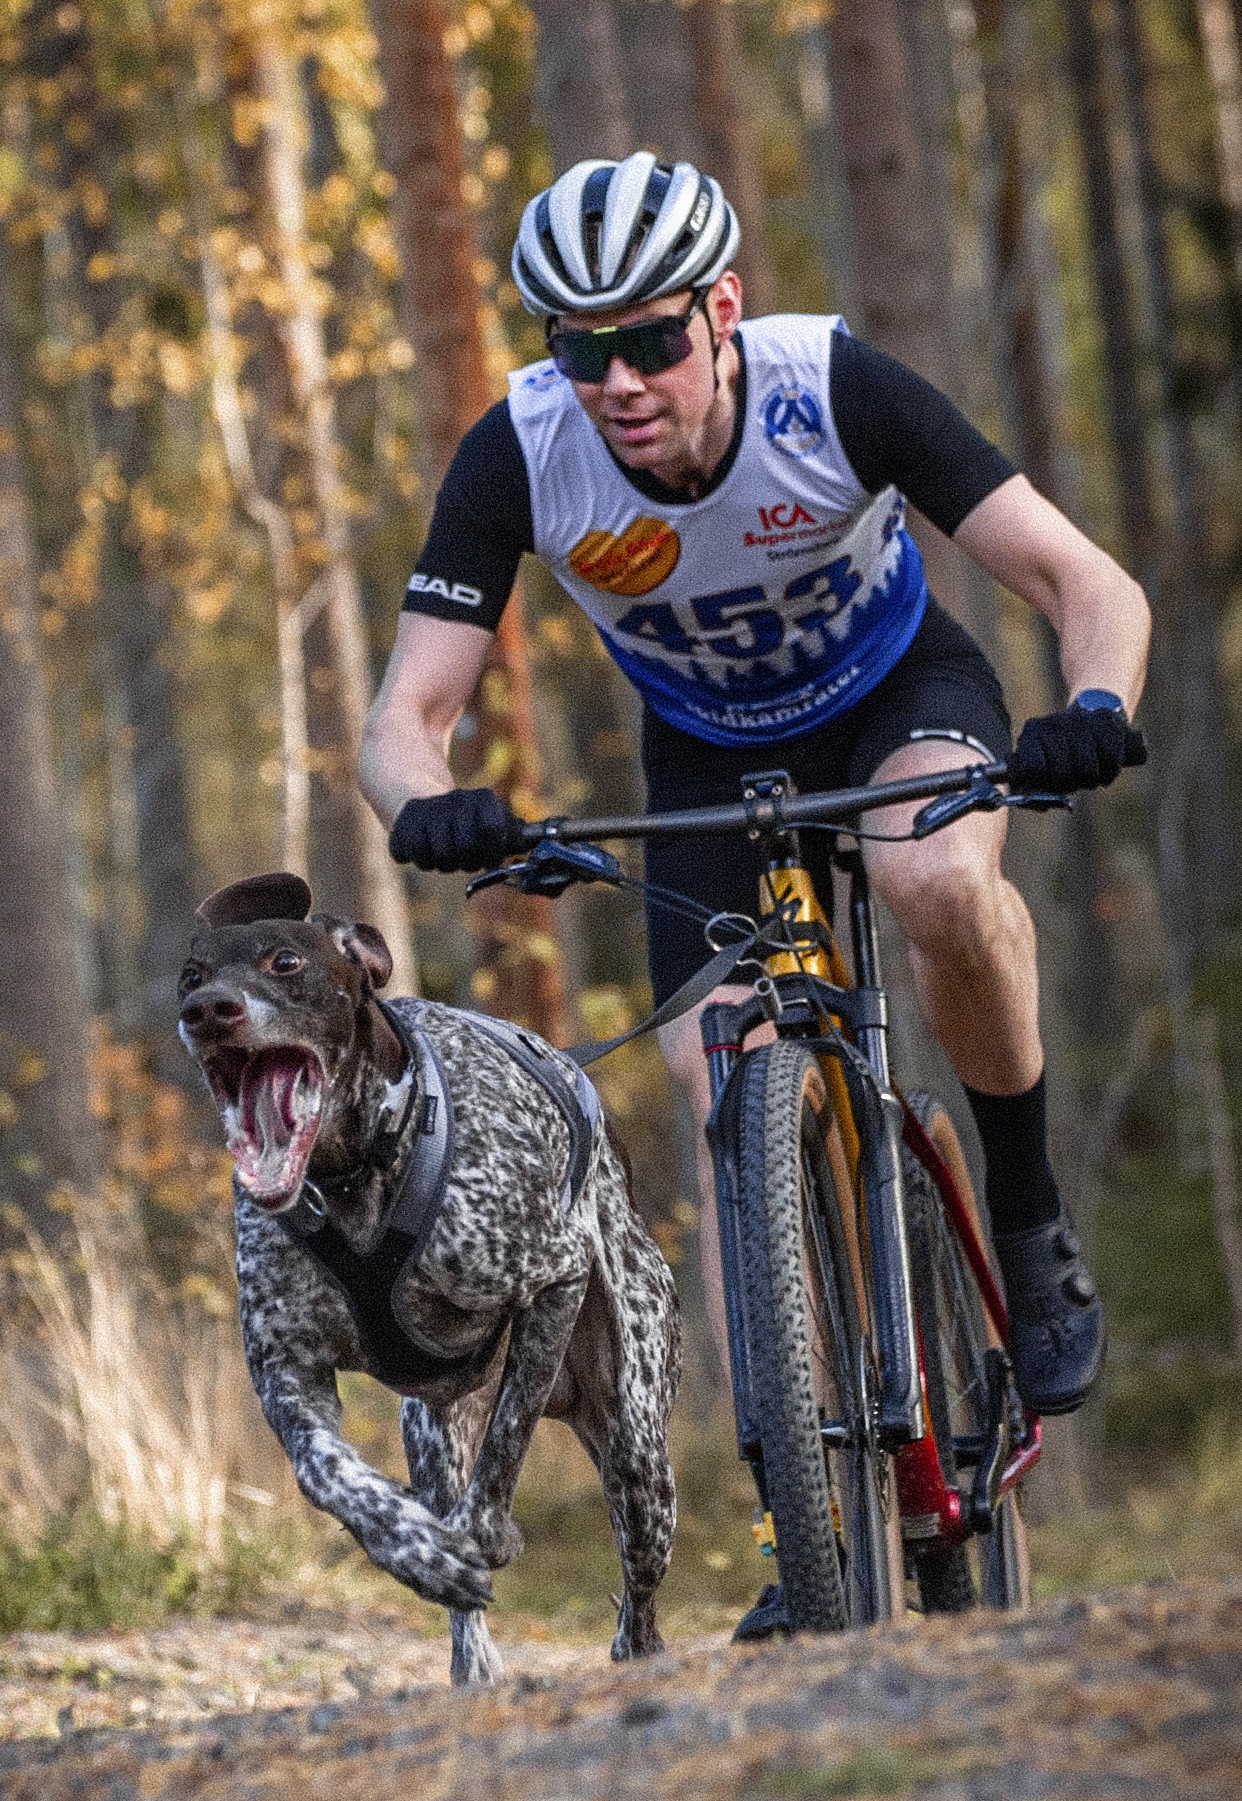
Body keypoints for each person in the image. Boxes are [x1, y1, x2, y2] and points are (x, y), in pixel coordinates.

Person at [359, 153, 1149, 1624]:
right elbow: (403, 719)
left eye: (653, 339)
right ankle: (809, 1533)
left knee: (932, 878)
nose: (620, 382)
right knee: (716, 1071)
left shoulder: (831, 387)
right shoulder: (525, 450)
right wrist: (437, 807)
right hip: (708, 750)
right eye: (581, 350)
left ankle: (1029, 1223)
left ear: (722, 312)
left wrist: (1093, 702)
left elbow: (1086, 581)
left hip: (896, 689)